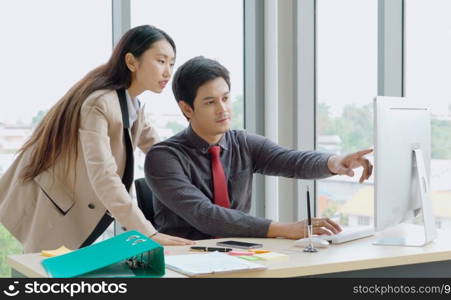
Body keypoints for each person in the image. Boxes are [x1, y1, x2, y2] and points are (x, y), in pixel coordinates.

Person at [0, 25, 194, 253]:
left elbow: (160, 150)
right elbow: (104, 176)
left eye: (172, 63)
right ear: (131, 62)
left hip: (89, 214)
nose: (168, 72)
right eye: (161, 61)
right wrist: (148, 232)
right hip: (61, 214)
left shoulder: (133, 105)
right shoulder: (100, 103)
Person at [144, 56, 373, 240]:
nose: (223, 109)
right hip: (185, 263)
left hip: (238, 253)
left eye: (225, 98)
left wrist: (336, 162)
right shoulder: (163, 157)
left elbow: (291, 160)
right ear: (186, 108)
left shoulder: (242, 143)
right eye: (210, 102)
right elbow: (206, 215)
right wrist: (285, 228)